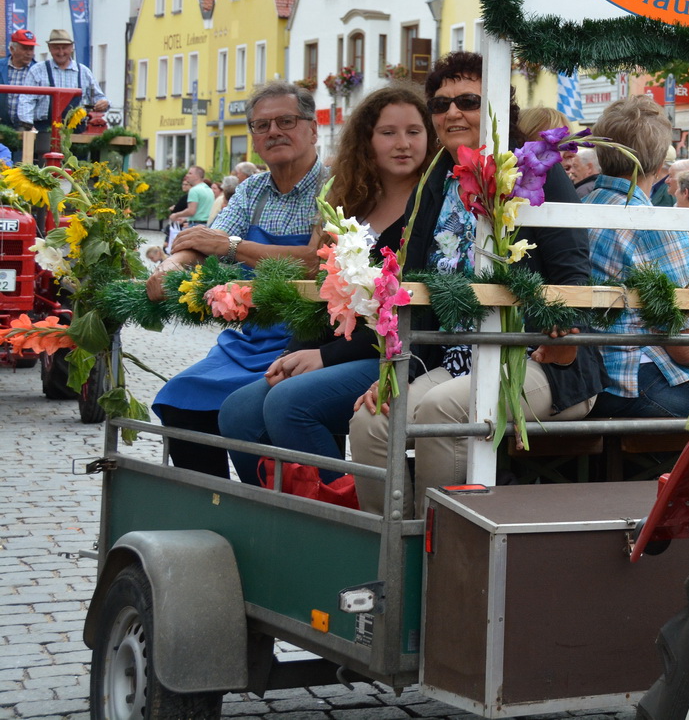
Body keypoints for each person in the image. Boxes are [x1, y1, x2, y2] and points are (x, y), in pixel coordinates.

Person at [348, 52, 602, 513]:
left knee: (443, 408)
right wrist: (393, 371)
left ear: (499, 108)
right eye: (440, 104)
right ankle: (390, 557)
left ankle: (441, 559)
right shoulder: (436, 180)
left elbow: (572, 274)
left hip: (537, 358)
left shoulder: (533, 170)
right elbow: (412, 280)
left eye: (467, 100)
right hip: (455, 357)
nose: (451, 113)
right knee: (371, 420)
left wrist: (568, 336)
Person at [218, 87, 435, 484]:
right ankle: (280, 515)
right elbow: (326, 295)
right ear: (367, 140)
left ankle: (343, 519)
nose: (402, 144)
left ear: (430, 136)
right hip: (343, 346)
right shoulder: (352, 203)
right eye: (388, 132)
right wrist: (298, 351)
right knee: (238, 411)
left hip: (401, 351)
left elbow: (417, 312)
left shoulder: (435, 206)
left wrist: (325, 357)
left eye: (414, 132)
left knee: (288, 405)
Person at [148, 83, 327, 477]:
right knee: (180, 401)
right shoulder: (251, 189)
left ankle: (266, 505)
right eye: (261, 125)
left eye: (286, 121)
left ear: (313, 130)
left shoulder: (335, 186)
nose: (273, 132)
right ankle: (215, 506)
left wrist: (230, 246)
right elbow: (200, 243)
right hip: (247, 338)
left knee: (248, 411)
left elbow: (315, 263)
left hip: (305, 338)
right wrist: (170, 268)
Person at [584, 96, 689, 419]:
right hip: (632, 379)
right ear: (657, 165)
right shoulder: (654, 225)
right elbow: (688, 348)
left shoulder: (581, 206)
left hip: (590, 374)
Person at [40, 27, 109, 132]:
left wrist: (103, 103)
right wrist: (27, 124)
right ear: (49, 48)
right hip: (45, 130)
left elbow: (99, 98)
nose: (61, 52)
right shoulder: (38, 71)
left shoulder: (84, 72)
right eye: (56, 48)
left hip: (76, 130)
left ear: (72, 48)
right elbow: (27, 100)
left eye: (64, 47)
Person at [1, 29, 47, 135]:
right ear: (12, 49)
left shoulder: (40, 71)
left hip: (29, 128)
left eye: (31, 49)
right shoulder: (0, 67)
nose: (29, 53)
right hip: (2, 126)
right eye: (25, 48)